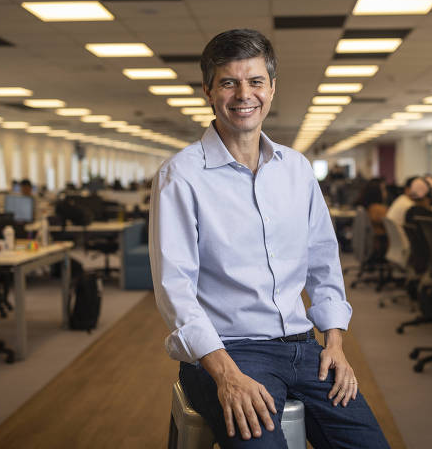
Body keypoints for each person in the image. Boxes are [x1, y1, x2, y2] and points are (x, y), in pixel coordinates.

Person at [150, 29, 388, 448]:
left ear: (272, 88)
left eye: (256, 81)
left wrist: (335, 342)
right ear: (208, 90)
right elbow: (176, 290)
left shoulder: (297, 170)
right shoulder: (181, 175)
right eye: (229, 82)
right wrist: (224, 374)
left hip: (304, 348)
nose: (245, 94)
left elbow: (323, 263)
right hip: (228, 352)